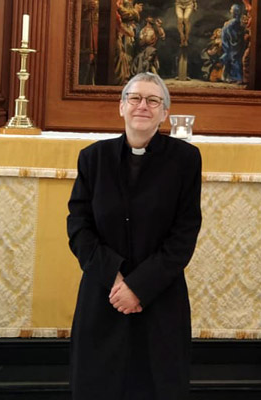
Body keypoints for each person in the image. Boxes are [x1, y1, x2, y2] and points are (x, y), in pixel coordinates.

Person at [67, 72, 202, 400]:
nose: (143, 105)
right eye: (135, 98)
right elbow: (78, 226)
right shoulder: (93, 158)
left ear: (164, 113)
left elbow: (184, 233)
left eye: (153, 100)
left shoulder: (185, 160)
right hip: (104, 294)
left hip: (159, 298)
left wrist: (139, 287)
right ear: (121, 107)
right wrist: (115, 280)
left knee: (157, 385)